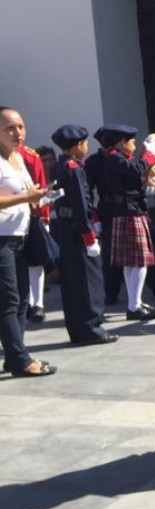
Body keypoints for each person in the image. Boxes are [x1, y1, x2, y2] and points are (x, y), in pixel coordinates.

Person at [0, 107, 55, 376]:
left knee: (22, 299)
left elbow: (26, 193)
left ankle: (14, 356)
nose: (18, 133)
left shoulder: (19, 158)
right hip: (1, 239)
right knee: (9, 300)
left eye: (20, 126)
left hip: (19, 235)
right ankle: (21, 360)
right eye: (10, 127)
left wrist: (42, 197)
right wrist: (26, 198)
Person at [49, 124, 116, 346]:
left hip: (65, 227)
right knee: (89, 280)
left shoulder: (58, 166)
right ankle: (91, 328)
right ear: (77, 146)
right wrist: (89, 235)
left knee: (71, 281)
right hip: (78, 228)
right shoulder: (74, 168)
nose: (87, 147)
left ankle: (77, 329)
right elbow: (80, 202)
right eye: (85, 143)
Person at [100, 124, 155, 321]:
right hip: (129, 213)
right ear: (121, 142)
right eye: (132, 140)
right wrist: (150, 154)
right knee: (139, 261)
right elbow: (137, 170)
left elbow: (133, 179)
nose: (134, 144)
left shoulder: (117, 158)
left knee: (131, 263)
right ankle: (134, 306)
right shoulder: (114, 158)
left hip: (130, 210)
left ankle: (134, 302)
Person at [19, 143, 50, 324]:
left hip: (30, 215)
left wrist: (44, 218)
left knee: (35, 261)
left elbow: (41, 186)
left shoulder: (30, 156)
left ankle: (36, 304)